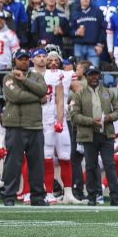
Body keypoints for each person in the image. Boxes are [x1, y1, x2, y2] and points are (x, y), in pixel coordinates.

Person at [72, 66, 118, 205]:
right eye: (91, 75)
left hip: (106, 134)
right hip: (89, 135)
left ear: (100, 76)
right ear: (86, 76)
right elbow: (74, 115)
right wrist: (91, 121)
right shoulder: (79, 94)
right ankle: (92, 196)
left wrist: (109, 117)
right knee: (90, 166)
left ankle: (115, 196)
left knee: (110, 165)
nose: (94, 77)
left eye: (96, 74)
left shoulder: (109, 92)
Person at [0, 49, 47, 206]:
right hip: (16, 125)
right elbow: (16, 97)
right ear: (15, 61)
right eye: (21, 59)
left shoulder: (37, 76)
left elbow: (43, 90)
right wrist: (38, 98)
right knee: (13, 163)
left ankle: (38, 197)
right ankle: (9, 196)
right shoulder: (9, 77)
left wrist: (25, 82)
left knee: (37, 164)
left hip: (35, 125)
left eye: (26, 59)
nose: (24, 62)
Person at [41, 50, 78, 203]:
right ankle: (48, 191)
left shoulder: (67, 74)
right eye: (50, 59)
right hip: (44, 119)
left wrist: (75, 103)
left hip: (60, 119)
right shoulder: (37, 74)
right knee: (47, 156)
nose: (53, 62)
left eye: (56, 59)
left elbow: (79, 88)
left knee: (65, 156)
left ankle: (68, 193)